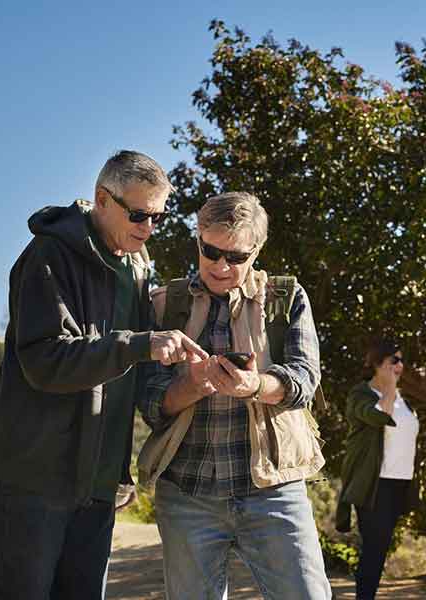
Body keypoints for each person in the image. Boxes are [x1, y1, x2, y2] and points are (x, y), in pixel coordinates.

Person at [0, 150, 208, 600]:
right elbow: (45, 359)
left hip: (99, 484)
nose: (148, 229)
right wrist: (139, 343)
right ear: (103, 199)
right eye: (139, 214)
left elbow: (128, 378)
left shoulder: (138, 268)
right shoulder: (49, 255)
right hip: (35, 476)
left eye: (157, 218)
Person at [138, 192, 331, 600]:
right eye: (211, 252)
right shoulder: (163, 304)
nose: (222, 266)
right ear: (198, 240)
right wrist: (191, 386)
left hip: (273, 489)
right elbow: (151, 404)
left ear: (256, 251)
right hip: (187, 492)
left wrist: (255, 386)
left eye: (237, 257)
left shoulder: (286, 297)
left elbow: (304, 380)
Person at [335, 338, 421, 600]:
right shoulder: (361, 394)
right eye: (393, 360)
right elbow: (378, 417)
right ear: (376, 363)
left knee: (379, 549)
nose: (399, 365)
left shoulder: (401, 399)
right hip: (374, 484)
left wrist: (393, 389)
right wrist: (390, 387)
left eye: (401, 360)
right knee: (374, 549)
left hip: (399, 484)